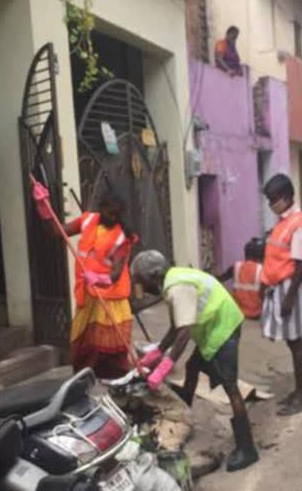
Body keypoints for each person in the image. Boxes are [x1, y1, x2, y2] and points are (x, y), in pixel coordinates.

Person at [131, 251, 259, 472]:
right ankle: (182, 417)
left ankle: (247, 449)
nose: (142, 288)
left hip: (223, 329)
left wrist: (162, 369)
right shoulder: (173, 280)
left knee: (231, 389)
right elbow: (175, 327)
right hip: (213, 327)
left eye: (141, 282)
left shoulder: (176, 288)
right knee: (192, 367)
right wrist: (155, 354)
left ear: (152, 277)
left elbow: (183, 334)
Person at [63, 189, 136, 378]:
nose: (112, 217)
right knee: (83, 341)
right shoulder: (87, 221)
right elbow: (58, 231)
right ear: (101, 208)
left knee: (109, 345)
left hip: (112, 297)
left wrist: (98, 279)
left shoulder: (122, 237)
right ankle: (82, 379)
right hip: (88, 295)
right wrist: (44, 209)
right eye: (109, 212)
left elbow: (116, 274)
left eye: (116, 214)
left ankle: (119, 381)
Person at [260, 174, 302, 416]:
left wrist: (289, 299)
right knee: (292, 343)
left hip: (290, 286)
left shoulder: (298, 223)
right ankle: (298, 390)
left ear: (287, 197)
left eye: (274, 200)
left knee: (295, 342)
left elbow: (300, 264)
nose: (271, 204)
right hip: (279, 286)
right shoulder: (283, 222)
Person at [217, 238, 265, 320]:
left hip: (238, 314)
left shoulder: (236, 267)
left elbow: (219, 279)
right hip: (257, 315)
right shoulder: (262, 269)